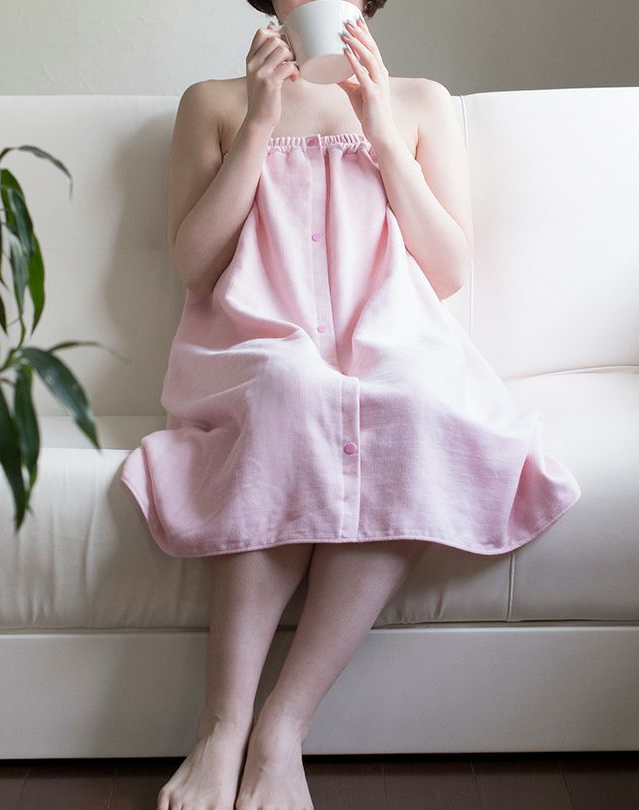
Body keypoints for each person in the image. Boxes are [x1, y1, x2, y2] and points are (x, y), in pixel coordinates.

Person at [119, 1, 582, 807]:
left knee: (410, 407)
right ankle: (221, 728)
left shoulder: (419, 100)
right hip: (263, 342)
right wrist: (260, 124)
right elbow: (196, 265)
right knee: (290, 391)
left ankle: (280, 730)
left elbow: (447, 268)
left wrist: (382, 132)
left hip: (392, 340)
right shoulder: (215, 102)